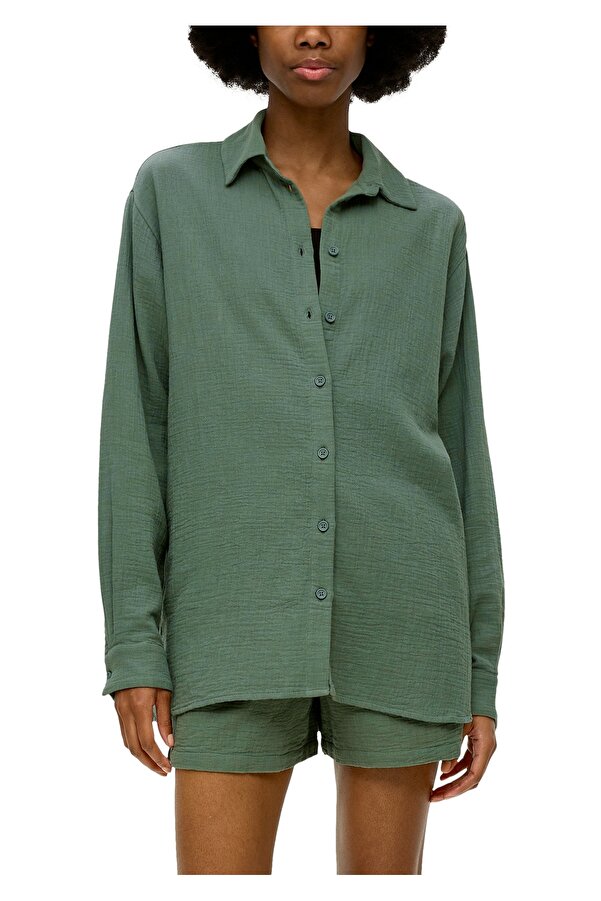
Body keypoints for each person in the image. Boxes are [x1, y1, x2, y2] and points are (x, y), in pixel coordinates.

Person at [98, 25, 505, 875]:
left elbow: (463, 455)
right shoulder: (172, 192)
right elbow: (137, 426)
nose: (312, 30)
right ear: (245, 25)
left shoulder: (432, 226)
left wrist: (477, 673)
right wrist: (134, 643)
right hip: (229, 619)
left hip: (402, 617)